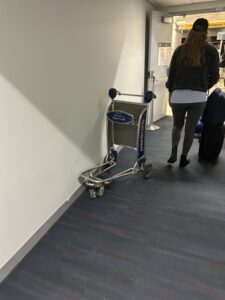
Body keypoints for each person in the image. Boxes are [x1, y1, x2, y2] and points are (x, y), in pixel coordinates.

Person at [166, 18, 219, 167]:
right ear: (206, 31)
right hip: (198, 97)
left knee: (177, 126)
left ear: (191, 30)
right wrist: (203, 85)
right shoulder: (211, 51)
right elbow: (214, 77)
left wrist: (171, 91)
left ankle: (173, 153)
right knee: (190, 129)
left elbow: (172, 75)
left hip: (178, 95)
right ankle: (183, 158)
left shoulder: (180, 50)